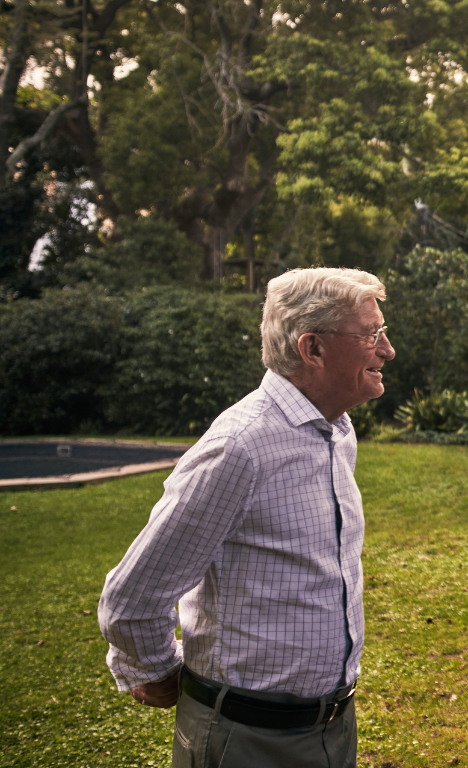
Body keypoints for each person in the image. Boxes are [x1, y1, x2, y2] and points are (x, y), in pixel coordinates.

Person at [98, 267, 394, 768]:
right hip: (248, 738)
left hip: (332, 726)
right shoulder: (240, 447)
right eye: (372, 335)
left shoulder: (336, 431)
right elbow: (132, 599)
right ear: (312, 348)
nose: (386, 350)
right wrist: (163, 673)